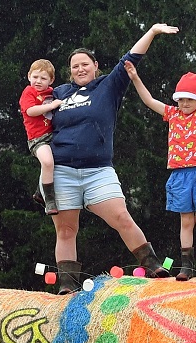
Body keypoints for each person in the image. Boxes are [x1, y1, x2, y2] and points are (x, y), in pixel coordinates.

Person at [46, 23, 180, 293]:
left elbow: (131, 57)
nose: (80, 69)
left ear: (95, 66)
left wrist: (152, 32)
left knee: (121, 216)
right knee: (66, 230)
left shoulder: (108, 86)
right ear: (69, 71)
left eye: (85, 64)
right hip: (62, 172)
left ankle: (153, 265)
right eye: (74, 66)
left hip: (98, 171)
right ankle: (67, 285)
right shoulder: (58, 93)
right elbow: (30, 107)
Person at [124, 49, 196, 280]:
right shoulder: (172, 114)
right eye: (181, 99)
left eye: (190, 99)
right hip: (179, 175)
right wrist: (135, 78)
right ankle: (186, 266)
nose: (185, 103)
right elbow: (149, 100)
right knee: (185, 221)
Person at [19, 59, 62, 215]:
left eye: (43, 78)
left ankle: (40, 191)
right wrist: (51, 106)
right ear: (29, 76)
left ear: (51, 80)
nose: (38, 81)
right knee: (47, 161)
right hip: (38, 138)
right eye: (35, 77)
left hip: (53, 135)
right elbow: (31, 111)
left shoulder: (52, 92)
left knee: (63, 157)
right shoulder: (29, 92)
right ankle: (49, 199)